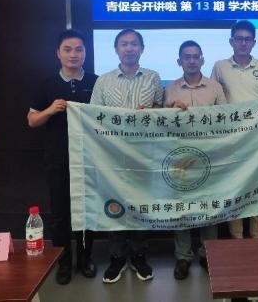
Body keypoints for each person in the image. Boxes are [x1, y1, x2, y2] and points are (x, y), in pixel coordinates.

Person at [90, 28, 164, 284]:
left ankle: (139, 255)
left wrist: (152, 112)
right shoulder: (104, 81)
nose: (129, 48)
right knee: (115, 203)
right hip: (112, 154)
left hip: (144, 153)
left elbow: (160, 110)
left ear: (141, 49)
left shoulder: (153, 77)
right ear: (116, 49)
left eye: (134, 44)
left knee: (141, 203)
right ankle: (117, 257)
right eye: (124, 44)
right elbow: (93, 115)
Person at [27, 29, 98, 285]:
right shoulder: (46, 84)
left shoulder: (96, 81)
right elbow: (32, 120)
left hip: (90, 158)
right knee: (60, 212)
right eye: (68, 49)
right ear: (58, 53)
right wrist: (50, 110)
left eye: (79, 49)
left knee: (87, 209)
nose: (73, 54)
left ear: (85, 53)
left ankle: (85, 258)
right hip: (58, 157)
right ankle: (63, 260)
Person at [164, 40, 227, 280]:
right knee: (181, 207)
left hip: (209, 155)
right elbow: (161, 123)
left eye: (196, 56)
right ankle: (183, 256)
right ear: (179, 61)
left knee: (208, 206)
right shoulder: (170, 89)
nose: (191, 60)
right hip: (179, 157)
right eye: (186, 57)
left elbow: (225, 119)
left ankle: (208, 253)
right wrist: (170, 108)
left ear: (202, 59)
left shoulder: (215, 87)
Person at [210, 20, 258, 239]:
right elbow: (213, 98)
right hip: (231, 139)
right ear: (231, 41)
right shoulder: (220, 66)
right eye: (239, 39)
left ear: (254, 42)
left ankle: (257, 238)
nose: (243, 43)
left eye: (247, 39)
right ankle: (237, 241)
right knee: (234, 187)